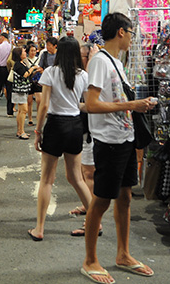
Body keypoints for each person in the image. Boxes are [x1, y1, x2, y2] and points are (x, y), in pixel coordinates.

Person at [81, 13, 155, 283]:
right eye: (132, 32)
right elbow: (91, 104)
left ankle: (123, 254)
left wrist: (138, 105)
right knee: (100, 200)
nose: (133, 38)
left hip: (124, 139)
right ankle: (90, 260)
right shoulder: (100, 61)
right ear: (121, 32)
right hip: (109, 142)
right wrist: (131, 105)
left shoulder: (116, 62)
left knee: (125, 197)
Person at [27, 37, 92, 241]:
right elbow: (87, 105)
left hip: (55, 125)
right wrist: (73, 105)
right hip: (74, 126)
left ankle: (39, 228)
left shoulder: (50, 72)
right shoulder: (82, 75)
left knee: (47, 179)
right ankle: (95, 221)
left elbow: (44, 105)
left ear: (58, 52)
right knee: (76, 178)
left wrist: (38, 131)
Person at [70, 43, 100, 220]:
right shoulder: (81, 76)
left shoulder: (91, 78)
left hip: (90, 131)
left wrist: (74, 105)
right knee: (83, 172)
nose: (78, 58)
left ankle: (93, 213)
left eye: (82, 55)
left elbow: (90, 106)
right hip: (81, 129)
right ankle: (87, 204)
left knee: (89, 173)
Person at [11, 47, 38, 139]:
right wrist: (33, 68)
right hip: (20, 90)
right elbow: (25, 74)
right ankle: (21, 131)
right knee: (24, 110)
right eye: (23, 52)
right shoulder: (18, 64)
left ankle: (20, 130)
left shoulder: (21, 63)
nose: (25, 52)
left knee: (20, 111)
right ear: (19, 54)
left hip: (22, 89)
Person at [24, 42, 43, 126]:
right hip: (29, 81)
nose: (33, 52)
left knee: (39, 100)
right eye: (31, 51)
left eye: (34, 50)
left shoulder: (38, 59)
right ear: (28, 51)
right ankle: (30, 118)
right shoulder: (25, 60)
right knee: (29, 101)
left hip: (38, 81)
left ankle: (39, 117)